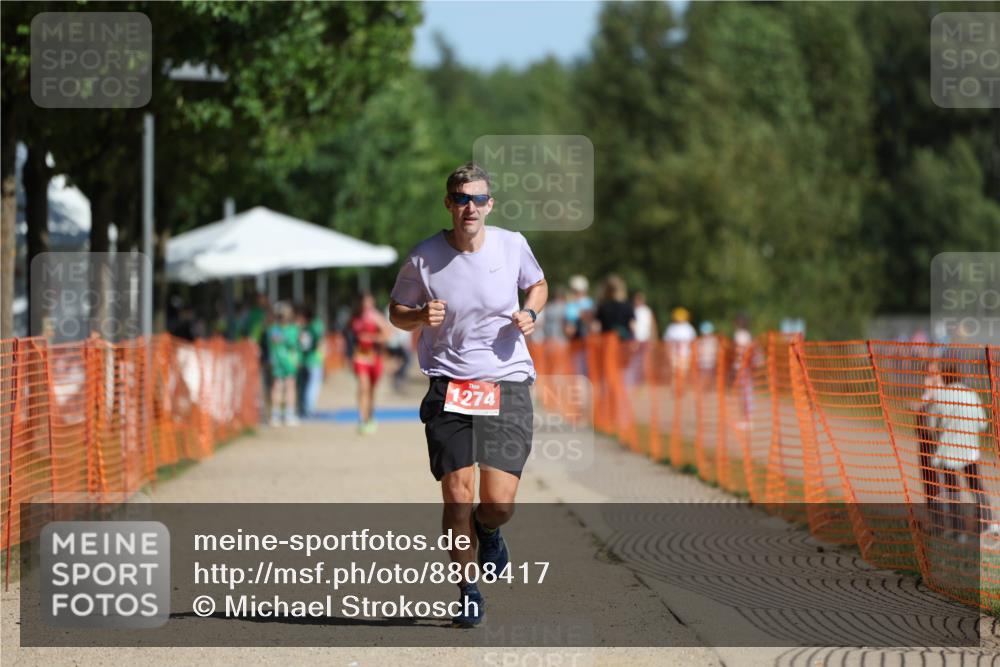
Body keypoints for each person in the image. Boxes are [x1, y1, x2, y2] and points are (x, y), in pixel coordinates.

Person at [389, 162, 547, 628]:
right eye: (462, 199)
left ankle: (490, 528)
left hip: (506, 381)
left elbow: (536, 285)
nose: (470, 207)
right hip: (449, 384)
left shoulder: (512, 244)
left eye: (478, 199)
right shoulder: (424, 257)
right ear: (449, 204)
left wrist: (530, 313)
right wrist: (419, 316)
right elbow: (396, 311)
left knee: (498, 502)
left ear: (489, 204)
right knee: (457, 494)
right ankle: (467, 589)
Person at [924, 358, 997, 540]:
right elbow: (982, 424)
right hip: (969, 450)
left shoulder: (942, 397)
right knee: (976, 487)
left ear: (945, 377)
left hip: (948, 453)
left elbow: (932, 426)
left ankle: (958, 531)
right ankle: (988, 524)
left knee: (953, 491)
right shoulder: (971, 394)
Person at [350, 294, 393, 434]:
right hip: (360, 357)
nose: (367, 305)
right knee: (363, 386)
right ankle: (362, 418)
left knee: (372, 391)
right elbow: (349, 336)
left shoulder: (375, 317)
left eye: (369, 303)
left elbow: (387, 334)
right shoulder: (355, 317)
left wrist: (371, 338)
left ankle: (370, 417)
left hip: (374, 358)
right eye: (364, 302)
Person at [267, 301, 301, 426]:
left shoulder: (273, 330)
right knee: (289, 388)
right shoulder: (293, 330)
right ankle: (288, 414)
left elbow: (273, 344)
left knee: (277, 387)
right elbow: (294, 346)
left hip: (276, 362)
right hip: (289, 362)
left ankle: (275, 415)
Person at [297, 304, 326, 418]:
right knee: (312, 385)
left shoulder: (300, 327)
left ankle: (302, 408)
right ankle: (309, 409)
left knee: (303, 386)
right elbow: (320, 342)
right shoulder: (316, 325)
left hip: (303, 360)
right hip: (314, 360)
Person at [663, 306, 697, 380]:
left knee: (683, 372)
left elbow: (693, 342)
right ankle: (676, 388)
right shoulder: (671, 328)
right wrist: (668, 352)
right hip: (673, 353)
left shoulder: (688, 328)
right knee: (674, 372)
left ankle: (681, 388)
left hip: (685, 354)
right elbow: (667, 341)